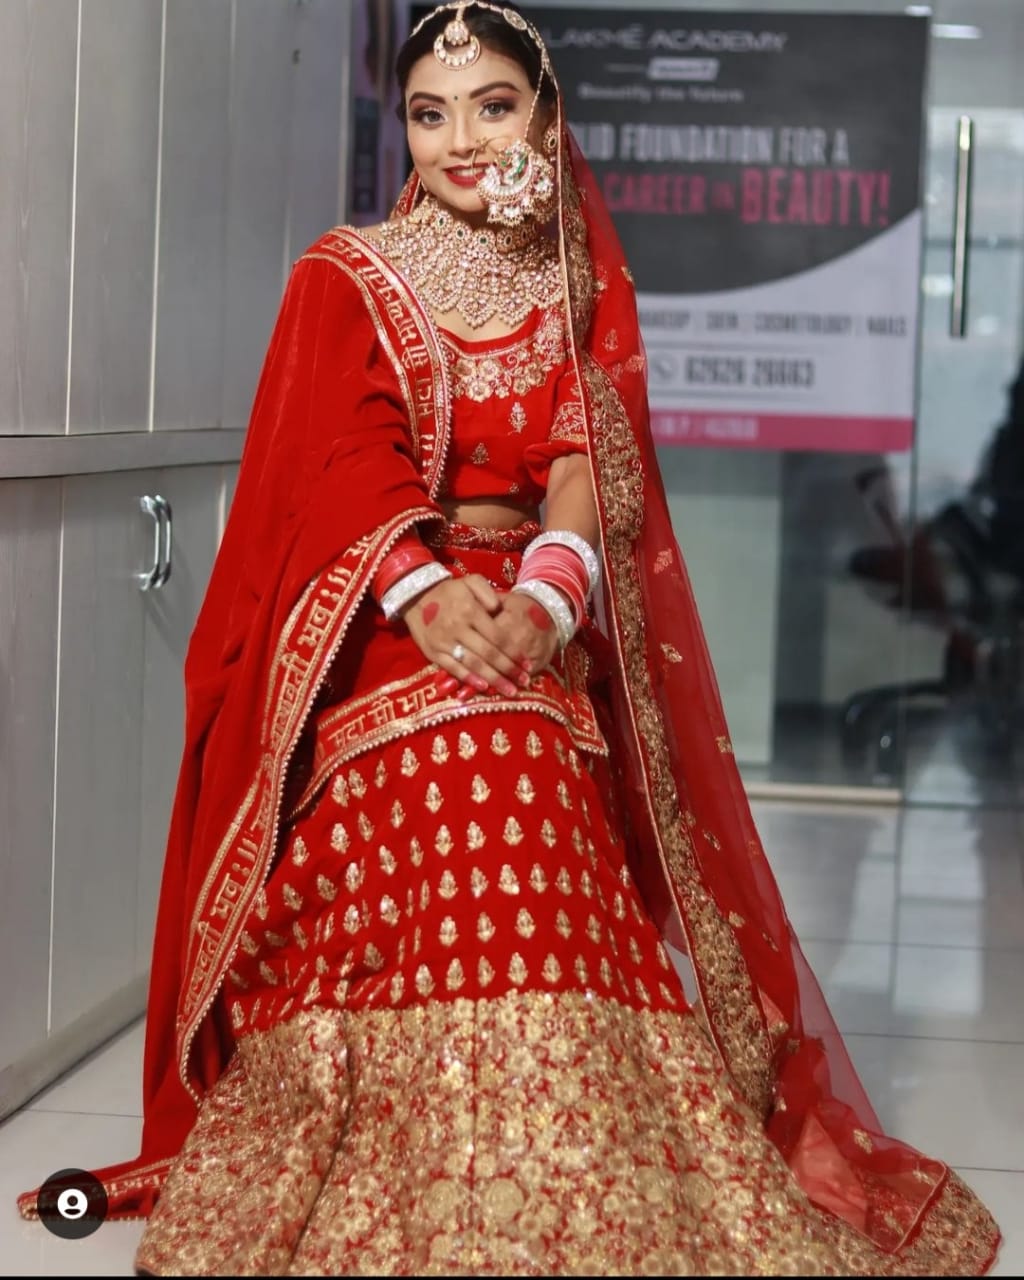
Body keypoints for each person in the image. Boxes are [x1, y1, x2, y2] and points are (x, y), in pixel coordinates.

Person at [18, 4, 1001, 1274]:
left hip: (536, 599)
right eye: (429, 114)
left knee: (530, 728)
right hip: (381, 599)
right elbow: (341, 458)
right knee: (470, 731)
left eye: (493, 105)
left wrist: (548, 594)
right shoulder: (350, 271)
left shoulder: (571, 281)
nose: (462, 140)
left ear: (544, 115)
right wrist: (426, 593)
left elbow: (588, 459)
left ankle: (572, 1132)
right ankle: (408, 1118)